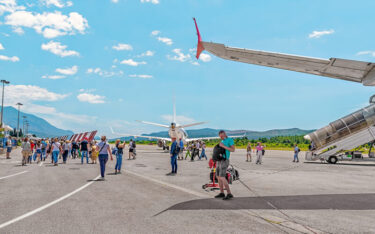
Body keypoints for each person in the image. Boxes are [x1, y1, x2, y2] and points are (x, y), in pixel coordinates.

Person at [215, 130, 235, 200]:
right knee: (218, 176)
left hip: (224, 160)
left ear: (225, 134)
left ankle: (229, 193)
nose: (221, 137)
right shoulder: (222, 141)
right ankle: (222, 193)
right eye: (220, 136)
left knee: (222, 177)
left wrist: (223, 146)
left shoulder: (230, 140)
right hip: (219, 161)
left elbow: (233, 150)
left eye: (222, 135)